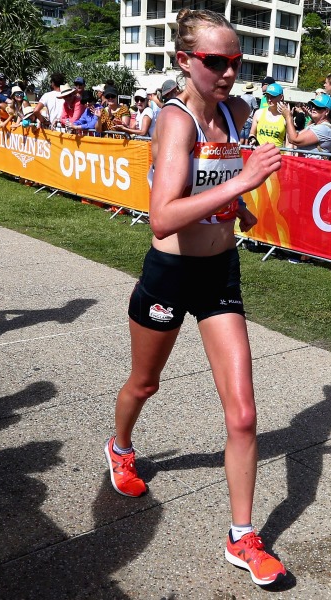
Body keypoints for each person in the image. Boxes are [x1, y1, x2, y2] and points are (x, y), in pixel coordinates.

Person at [106, 8, 286, 588]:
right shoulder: (175, 121)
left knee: (244, 414)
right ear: (185, 61)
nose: (229, 72)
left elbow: (209, 193)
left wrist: (237, 205)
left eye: (237, 61)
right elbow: (162, 218)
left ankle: (242, 536)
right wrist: (242, 184)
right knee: (145, 383)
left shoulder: (238, 113)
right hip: (170, 273)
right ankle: (121, 445)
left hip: (219, 276)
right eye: (215, 62)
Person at [249, 82, 287, 149]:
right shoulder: (258, 113)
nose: (269, 100)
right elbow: (252, 133)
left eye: (273, 97)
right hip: (260, 155)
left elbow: (289, 143)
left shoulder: (286, 117)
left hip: (277, 157)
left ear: (281, 97)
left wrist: (288, 158)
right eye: (267, 97)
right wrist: (252, 139)